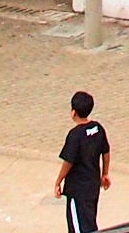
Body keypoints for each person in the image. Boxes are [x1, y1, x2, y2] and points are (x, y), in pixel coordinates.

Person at [54, 89, 113, 233]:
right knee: (89, 220)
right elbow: (106, 151)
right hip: (93, 186)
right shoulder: (98, 128)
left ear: (73, 112)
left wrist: (58, 181)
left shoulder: (75, 135)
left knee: (78, 226)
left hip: (77, 189)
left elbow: (68, 161)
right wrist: (105, 173)